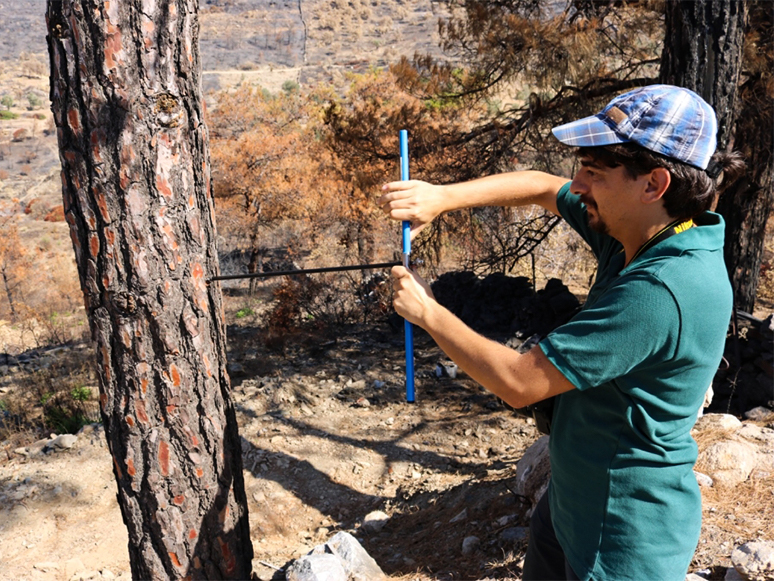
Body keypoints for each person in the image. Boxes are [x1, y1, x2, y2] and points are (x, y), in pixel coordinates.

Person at [378, 85, 744, 581]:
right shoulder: (645, 232)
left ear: (654, 184)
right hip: (575, 502)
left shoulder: (661, 289)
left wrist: (427, 312)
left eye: (593, 173)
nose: (580, 184)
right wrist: (441, 198)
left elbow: (521, 382)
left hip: (620, 539)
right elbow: (544, 187)